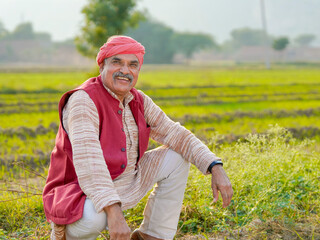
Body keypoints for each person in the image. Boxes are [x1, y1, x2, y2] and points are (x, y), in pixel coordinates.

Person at [42, 35, 233, 240]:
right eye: (117, 62)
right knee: (96, 218)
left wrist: (215, 166)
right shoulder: (83, 100)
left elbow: (175, 133)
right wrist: (114, 213)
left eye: (133, 65)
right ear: (101, 66)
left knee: (176, 158)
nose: (125, 70)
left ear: (138, 71)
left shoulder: (138, 99)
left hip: (123, 180)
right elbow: (91, 166)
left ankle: (151, 236)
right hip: (77, 193)